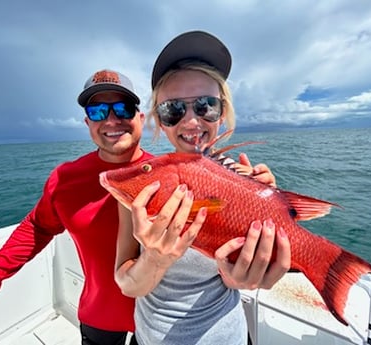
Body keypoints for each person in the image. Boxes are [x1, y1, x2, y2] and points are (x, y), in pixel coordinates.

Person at [114, 31, 291, 345]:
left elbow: (234, 278)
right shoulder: (142, 185)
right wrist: (154, 259)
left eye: (206, 106)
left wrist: (271, 212)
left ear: (222, 112)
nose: (192, 122)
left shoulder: (246, 184)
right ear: (159, 120)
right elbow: (128, 285)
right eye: (173, 110)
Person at [0, 69, 152, 345]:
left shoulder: (166, 175)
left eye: (123, 108)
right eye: (98, 111)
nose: (112, 119)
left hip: (158, 318)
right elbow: (37, 228)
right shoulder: (66, 178)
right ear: (88, 122)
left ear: (140, 118)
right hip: (99, 315)